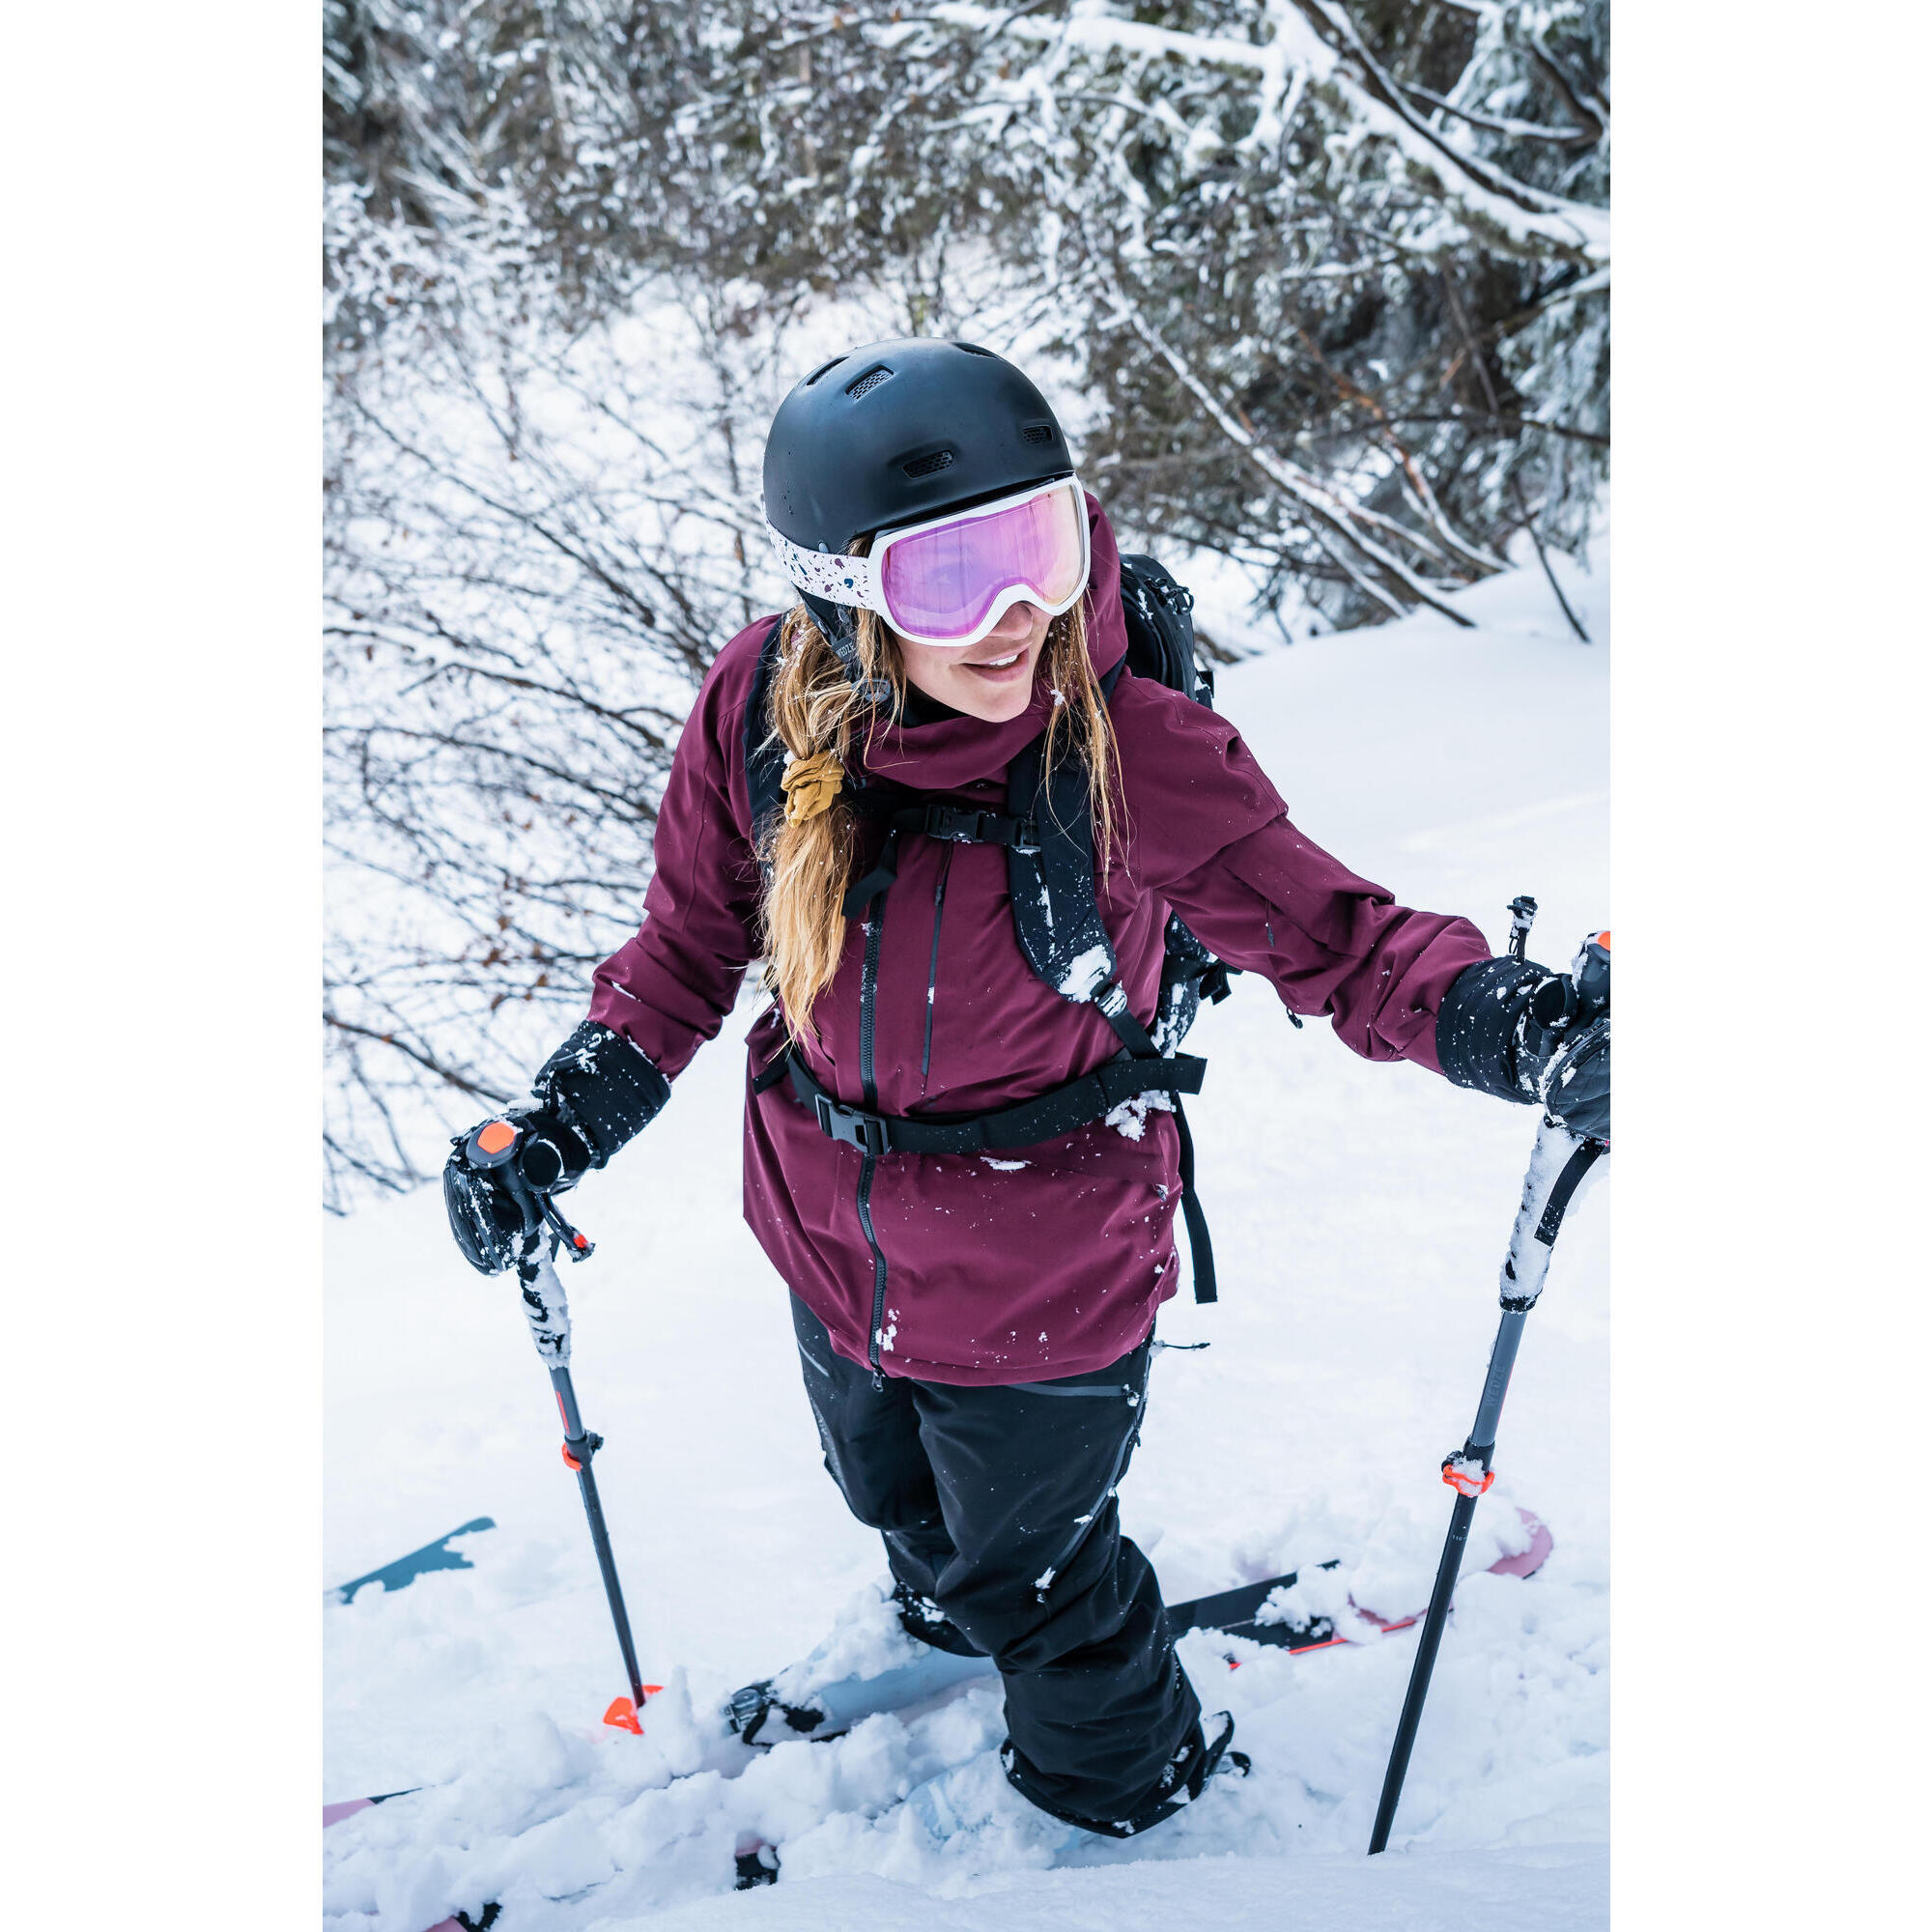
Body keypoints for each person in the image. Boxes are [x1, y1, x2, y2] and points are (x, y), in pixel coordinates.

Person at [442, 338, 1609, 1839]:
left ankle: (1131, 1789)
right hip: (823, 1233)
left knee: (1040, 1580)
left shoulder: (1123, 752)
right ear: (842, 592)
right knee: (895, 1503)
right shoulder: (759, 707)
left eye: (1039, 550)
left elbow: (1342, 939)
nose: (1013, 620)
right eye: (948, 581)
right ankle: (944, 1623)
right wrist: (555, 1126)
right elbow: (683, 949)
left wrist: (1521, 1027)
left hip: (1040, 1266)